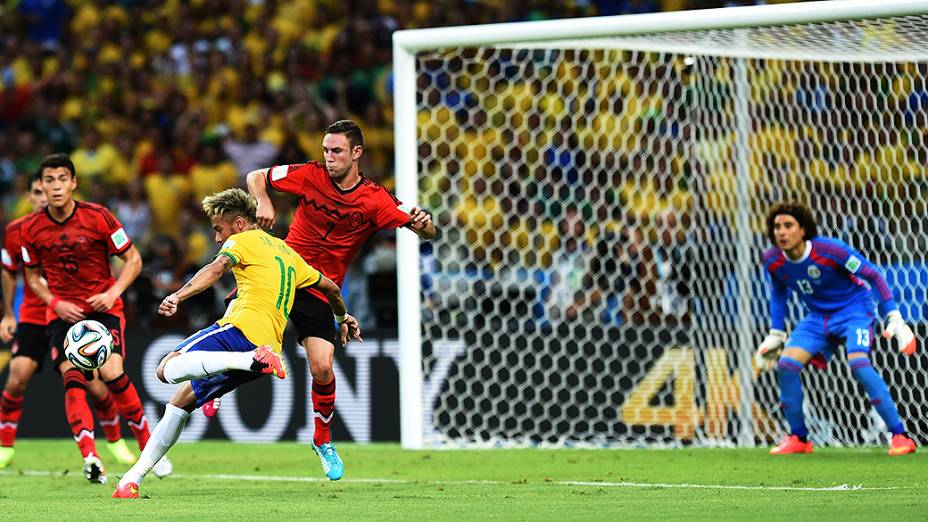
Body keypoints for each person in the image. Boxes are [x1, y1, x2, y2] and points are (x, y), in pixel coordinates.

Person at [112, 188, 360, 499]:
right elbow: (331, 287)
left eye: (219, 229)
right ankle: (131, 481)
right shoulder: (288, 253)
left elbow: (216, 268)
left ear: (240, 223)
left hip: (239, 333)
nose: (217, 238)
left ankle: (250, 360)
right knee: (181, 401)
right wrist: (342, 317)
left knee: (165, 370)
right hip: (270, 346)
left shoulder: (241, 240)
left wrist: (177, 295)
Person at [236, 119, 436, 480]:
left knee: (323, 367)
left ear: (356, 153)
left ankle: (322, 440)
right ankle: (211, 386)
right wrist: (263, 199)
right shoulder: (308, 174)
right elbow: (255, 176)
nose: (329, 158)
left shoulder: (375, 199)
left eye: (337, 151)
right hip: (282, 273)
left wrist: (423, 222)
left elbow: (425, 227)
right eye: (326, 151)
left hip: (320, 288)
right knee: (244, 345)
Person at [19, 153, 170, 483]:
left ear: (73, 183)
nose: (56, 186)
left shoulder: (99, 217)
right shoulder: (31, 230)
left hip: (103, 310)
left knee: (113, 373)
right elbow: (32, 277)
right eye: (49, 180)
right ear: (41, 186)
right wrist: (54, 302)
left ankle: (149, 449)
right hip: (63, 314)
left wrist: (113, 292)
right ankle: (90, 456)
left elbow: (133, 260)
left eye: (62, 179)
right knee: (73, 377)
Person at [755, 202, 917, 456]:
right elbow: (778, 293)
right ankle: (799, 438)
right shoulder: (773, 260)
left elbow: (872, 275)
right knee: (786, 365)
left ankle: (900, 435)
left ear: (803, 229)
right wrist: (776, 332)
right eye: (777, 227)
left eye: (788, 226)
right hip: (818, 317)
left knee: (858, 363)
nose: (781, 232)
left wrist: (893, 315)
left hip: (855, 311)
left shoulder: (831, 250)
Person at [0, 171, 136, 469]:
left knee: (97, 386)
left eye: (45, 190)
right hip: (35, 315)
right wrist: (9, 313)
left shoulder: (77, 224)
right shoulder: (17, 231)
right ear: (30, 196)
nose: (42, 197)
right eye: (36, 192)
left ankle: (114, 441)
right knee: (17, 377)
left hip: (70, 313)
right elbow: (9, 271)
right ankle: (5, 446)